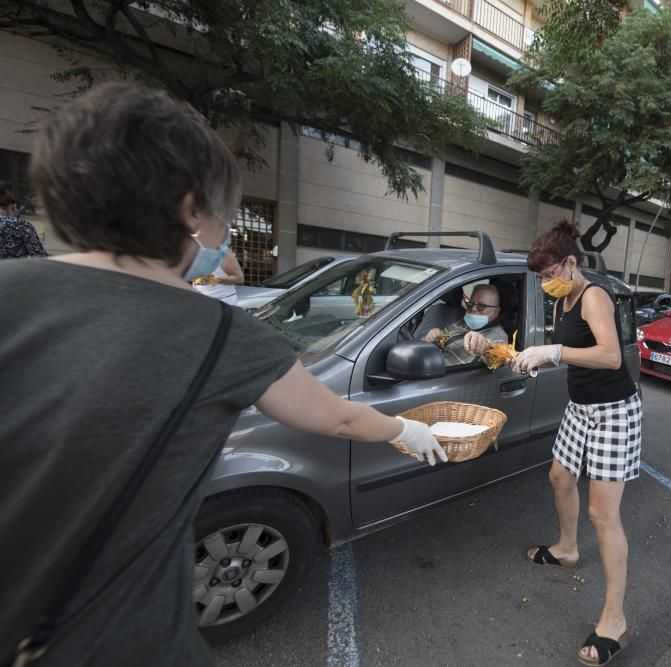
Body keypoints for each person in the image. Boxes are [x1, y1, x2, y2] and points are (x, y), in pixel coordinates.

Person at [0, 82, 446, 667]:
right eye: (224, 215)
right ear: (191, 211)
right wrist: (403, 432)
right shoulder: (223, 336)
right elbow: (334, 416)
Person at [510, 220, 642, 667]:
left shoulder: (594, 296)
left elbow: (609, 355)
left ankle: (615, 622)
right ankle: (567, 549)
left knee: (603, 514)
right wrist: (528, 355)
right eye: (541, 278)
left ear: (571, 262)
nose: (545, 283)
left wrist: (554, 353)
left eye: (549, 274)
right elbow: (568, 349)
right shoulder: (562, 300)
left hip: (614, 412)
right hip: (580, 408)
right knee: (559, 476)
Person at [422, 283, 507, 365]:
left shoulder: (498, 335)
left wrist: (486, 349)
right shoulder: (461, 322)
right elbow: (438, 343)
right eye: (471, 304)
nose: (473, 308)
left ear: (496, 312)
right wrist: (431, 338)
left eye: (481, 306)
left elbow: (497, 359)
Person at [0, 182, 47, 258]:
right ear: (10, 205)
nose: (16, 211)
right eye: (15, 207)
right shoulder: (22, 225)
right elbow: (39, 256)